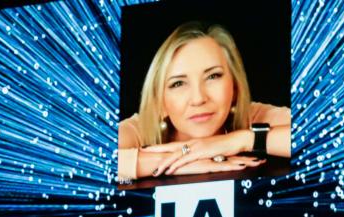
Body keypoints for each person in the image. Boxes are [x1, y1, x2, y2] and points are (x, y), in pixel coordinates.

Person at [118, 21, 291, 182]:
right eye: (178, 83)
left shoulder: (250, 115)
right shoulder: (141, 128)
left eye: (213, 76)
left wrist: (240, 140)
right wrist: (177, 161)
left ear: (235, 86)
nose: (199, 99)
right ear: (159, 102)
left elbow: (315, 137)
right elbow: (93, 161)